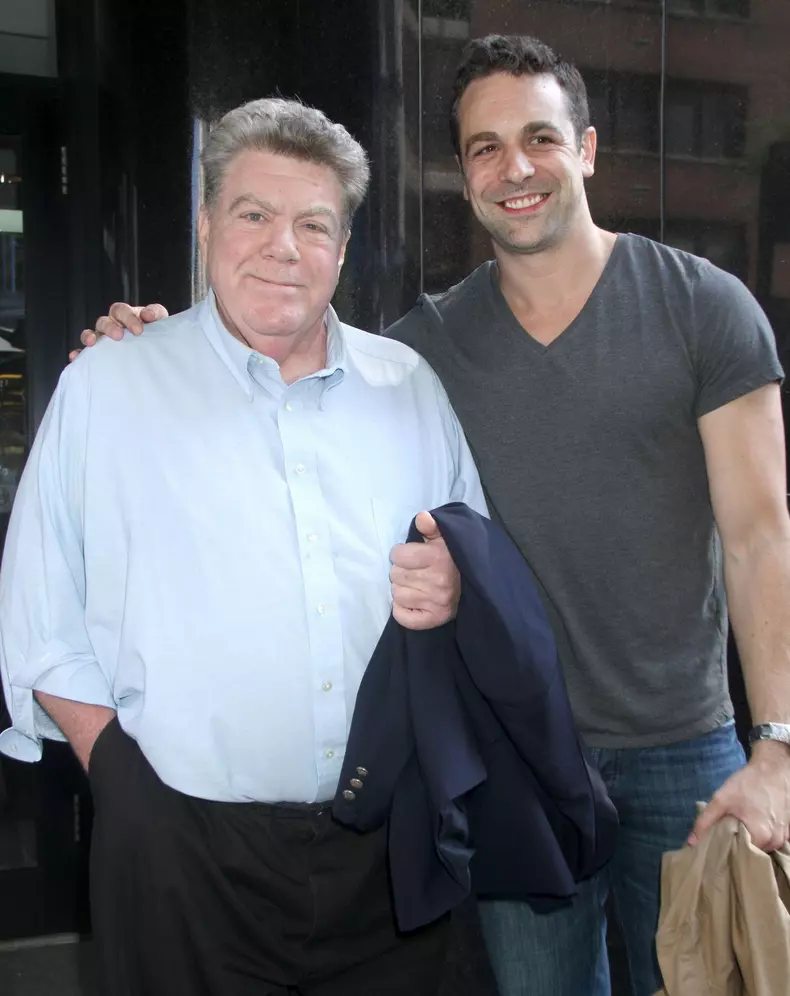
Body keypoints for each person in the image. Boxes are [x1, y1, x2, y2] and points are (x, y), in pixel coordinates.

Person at [85, 36, 790, 996]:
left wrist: (775, 746)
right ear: (464, 175)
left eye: (539, 138)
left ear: (586, 150)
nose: (515, 168)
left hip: (684, 748)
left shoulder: (703, 307)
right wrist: (151, 344)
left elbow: (761, 537)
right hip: (514, 752)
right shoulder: (425, 350)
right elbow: (288, 365)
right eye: (485, 148)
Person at [0, 97, 488, 996]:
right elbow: (39, 610)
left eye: (314, 224)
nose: (283, 247)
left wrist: (457, 586)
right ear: (205, 225)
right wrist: (123, 783)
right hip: (179, 851)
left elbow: (475, 567)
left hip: (385, 854)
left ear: (344, 246)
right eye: (254, 214)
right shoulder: (110, 384)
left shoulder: (410, 388)